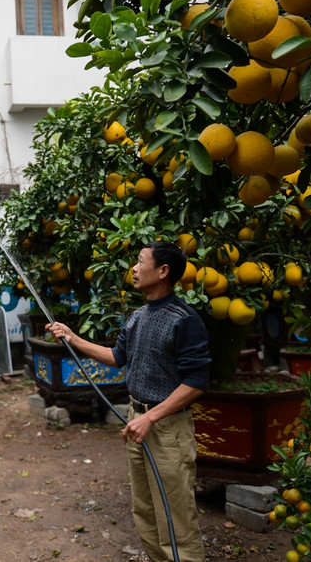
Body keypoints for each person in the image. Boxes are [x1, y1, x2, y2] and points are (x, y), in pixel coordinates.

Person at [46, 240, 210, 562]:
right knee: (145, 512)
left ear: (163, 271)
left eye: (140, 261)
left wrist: (151, 418)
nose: (133, 269)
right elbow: (117, 356)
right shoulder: (138, 317)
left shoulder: (185, 319)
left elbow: (196, 383)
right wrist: (72, 337)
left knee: (175, 518)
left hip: (165, 428)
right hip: (137, 423)